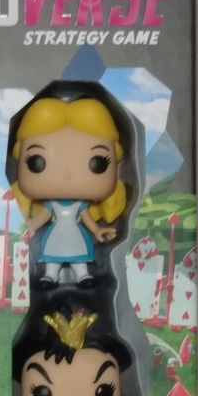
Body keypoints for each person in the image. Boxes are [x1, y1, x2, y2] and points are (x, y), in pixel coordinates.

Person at [12, 97, 127, 288]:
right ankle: (50, 275)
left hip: (74, 234)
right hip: (57, 234)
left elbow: (88, 220)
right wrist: (29, 225)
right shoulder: (51, 205)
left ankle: (83, 275)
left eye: (98, 163)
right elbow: (41, 218)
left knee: (79, 256)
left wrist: (97, 230)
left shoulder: (80, 205)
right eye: (36, 162)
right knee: (52, 257)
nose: (66, 174)